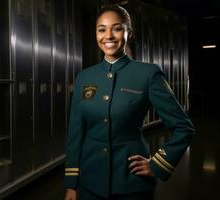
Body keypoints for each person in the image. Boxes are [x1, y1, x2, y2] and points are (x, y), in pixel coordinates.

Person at [64, 4, 194, 200]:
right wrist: (71, 185)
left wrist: (157, 165)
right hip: (90, 182)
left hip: (131, 183)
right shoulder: (84, 77)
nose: (108, 36)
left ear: (129, 32)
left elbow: (184, 127)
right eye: (102, 29)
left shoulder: (148, 74)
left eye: (116, 28)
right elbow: (75, 133)